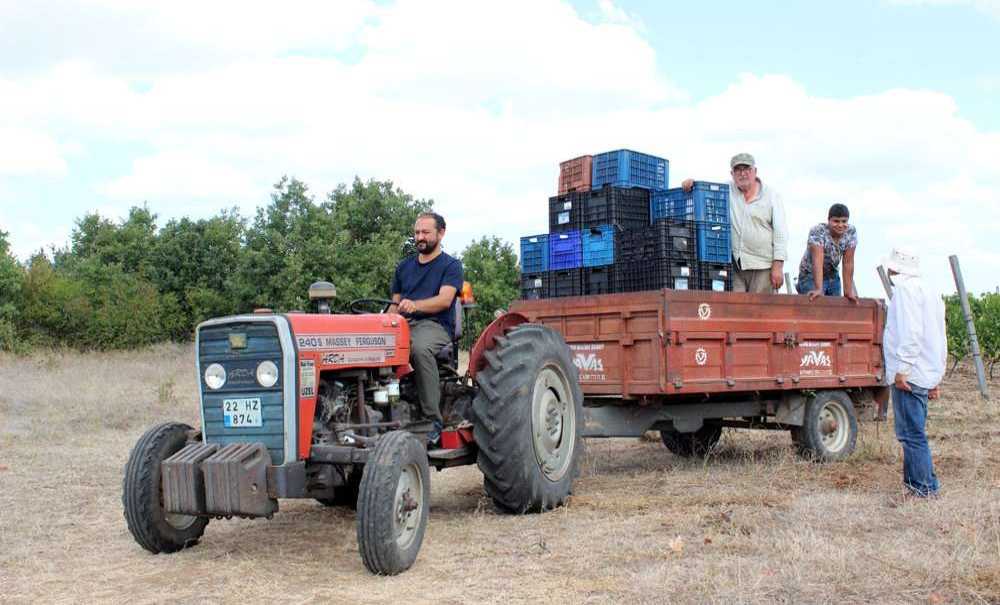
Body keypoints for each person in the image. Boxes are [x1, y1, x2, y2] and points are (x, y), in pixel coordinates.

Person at [389, 212, 464, 444]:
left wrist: (415, 305)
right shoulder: (403, 267)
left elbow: (443, 301)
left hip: (436, 325)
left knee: (419, 348)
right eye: (416, 232)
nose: (419, 237)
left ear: (440, 233)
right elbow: (394, 305)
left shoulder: (451, 266)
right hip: (405, 323)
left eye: (425, 232)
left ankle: (433, 419)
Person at [882, 247, 946, 498]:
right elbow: (940, 335)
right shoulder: (930, 290)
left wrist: (902, 370)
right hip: (925, 370)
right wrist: (936, 376)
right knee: (913, 432)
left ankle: (924, 488)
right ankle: (915, 484)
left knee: (911, 434)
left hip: (911, 372)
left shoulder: (906, 291)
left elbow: (911, 333)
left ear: (895, 269)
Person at [682, 153, 787, 293]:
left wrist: (778, 265)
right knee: (736, 310)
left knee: (761, 312)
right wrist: (692, 184)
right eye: (738, 170)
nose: (742, 174)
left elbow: (781, 233)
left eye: (747, 169)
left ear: (755, 171)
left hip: (763, 266)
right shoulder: (726, 190)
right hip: (735, 266)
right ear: (732, 173)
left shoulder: (772, 196)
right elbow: (706, 190)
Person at [796, 203, 858, 302]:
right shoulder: (818, 231)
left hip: (832, 275)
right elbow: (817, 260)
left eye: (844, 221)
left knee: (836, 309)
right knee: (816, 304)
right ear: (828, 221)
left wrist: (848, 291)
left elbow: (848, 262)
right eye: (836, 221)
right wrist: (818, 289)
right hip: (810, 275)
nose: (840, 225)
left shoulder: (850, 232)